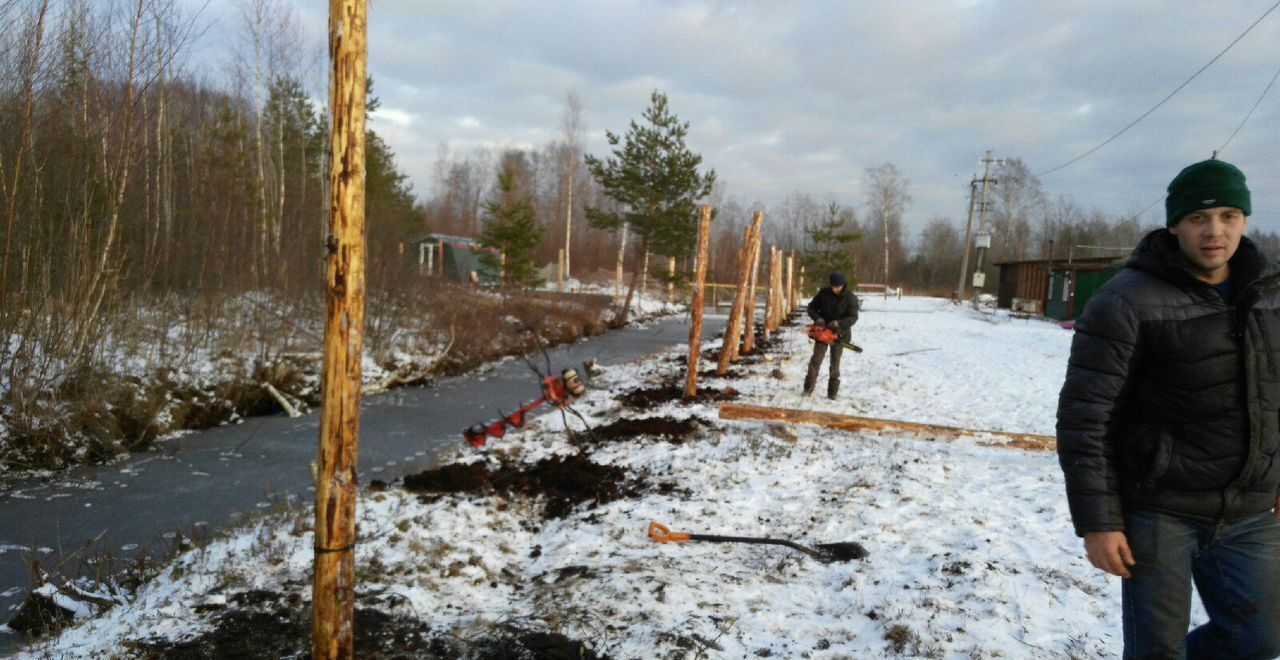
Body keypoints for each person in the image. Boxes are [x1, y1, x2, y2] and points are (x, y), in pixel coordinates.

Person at [1057, 158, 1280, 659]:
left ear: (1245, 219)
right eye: (1199, 218)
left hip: (1248, 511)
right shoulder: (1126, 301)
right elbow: (1085, 417)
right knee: (1157, 651)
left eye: (1228, 215)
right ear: (1175, 223)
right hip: (1161, 510)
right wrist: (1099, 521)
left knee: (1260, 639)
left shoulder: (1272, 295)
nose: (1214, 231)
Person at [804, 272, 859, 399]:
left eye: (838, 287)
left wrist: (839, 323)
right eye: (833, 286)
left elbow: (853, 317)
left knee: (835, 365)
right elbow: (811, 307)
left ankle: (832, 393)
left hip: (839, 335)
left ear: (843, 285)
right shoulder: (823, 293)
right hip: (822, 333)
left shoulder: (851, 298)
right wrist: (818, 318)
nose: (835, 289)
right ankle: (808, 389)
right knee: (815, 361)